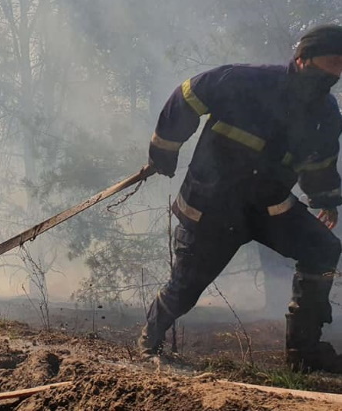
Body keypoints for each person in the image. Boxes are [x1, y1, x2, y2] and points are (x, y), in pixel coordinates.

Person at [139, 25, 342, 372]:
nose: (337, 72)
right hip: (213, 205)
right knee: (187, 285)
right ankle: (149, 342)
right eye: (333, 61)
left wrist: (325, 198)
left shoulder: (326, 113)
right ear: (302, 58)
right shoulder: (246, 81)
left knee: (322, 248)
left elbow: (320, 161)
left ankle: (304, 353)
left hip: (269, 206)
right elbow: (187, 96)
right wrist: (164, 151)